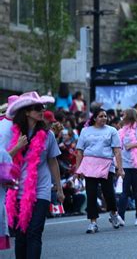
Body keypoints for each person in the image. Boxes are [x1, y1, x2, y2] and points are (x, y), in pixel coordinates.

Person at [4, 91, 64, 258]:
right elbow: (3, 158)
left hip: (41, 189)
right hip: (17, 190)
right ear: (27, 112)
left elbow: (53, 161)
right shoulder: (11, 133)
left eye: (42, 107)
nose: (42, 110)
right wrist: (17, 146)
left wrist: (59, 189)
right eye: (37, 108)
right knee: (21, 235)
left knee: (34, 232)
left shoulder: (48, 135)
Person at [75, 108, 125, 234]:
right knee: (91, 194)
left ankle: (113, 214)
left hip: (106, 164)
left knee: (109, 193)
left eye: (105, 116)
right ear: (95, 118)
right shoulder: (85, 131)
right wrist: (77, 169)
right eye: (101, 116)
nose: (104, 118)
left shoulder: (112, 130)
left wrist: (120, 168)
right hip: (89, 164)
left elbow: (117, 151)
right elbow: (80, 151)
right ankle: (93, 222)